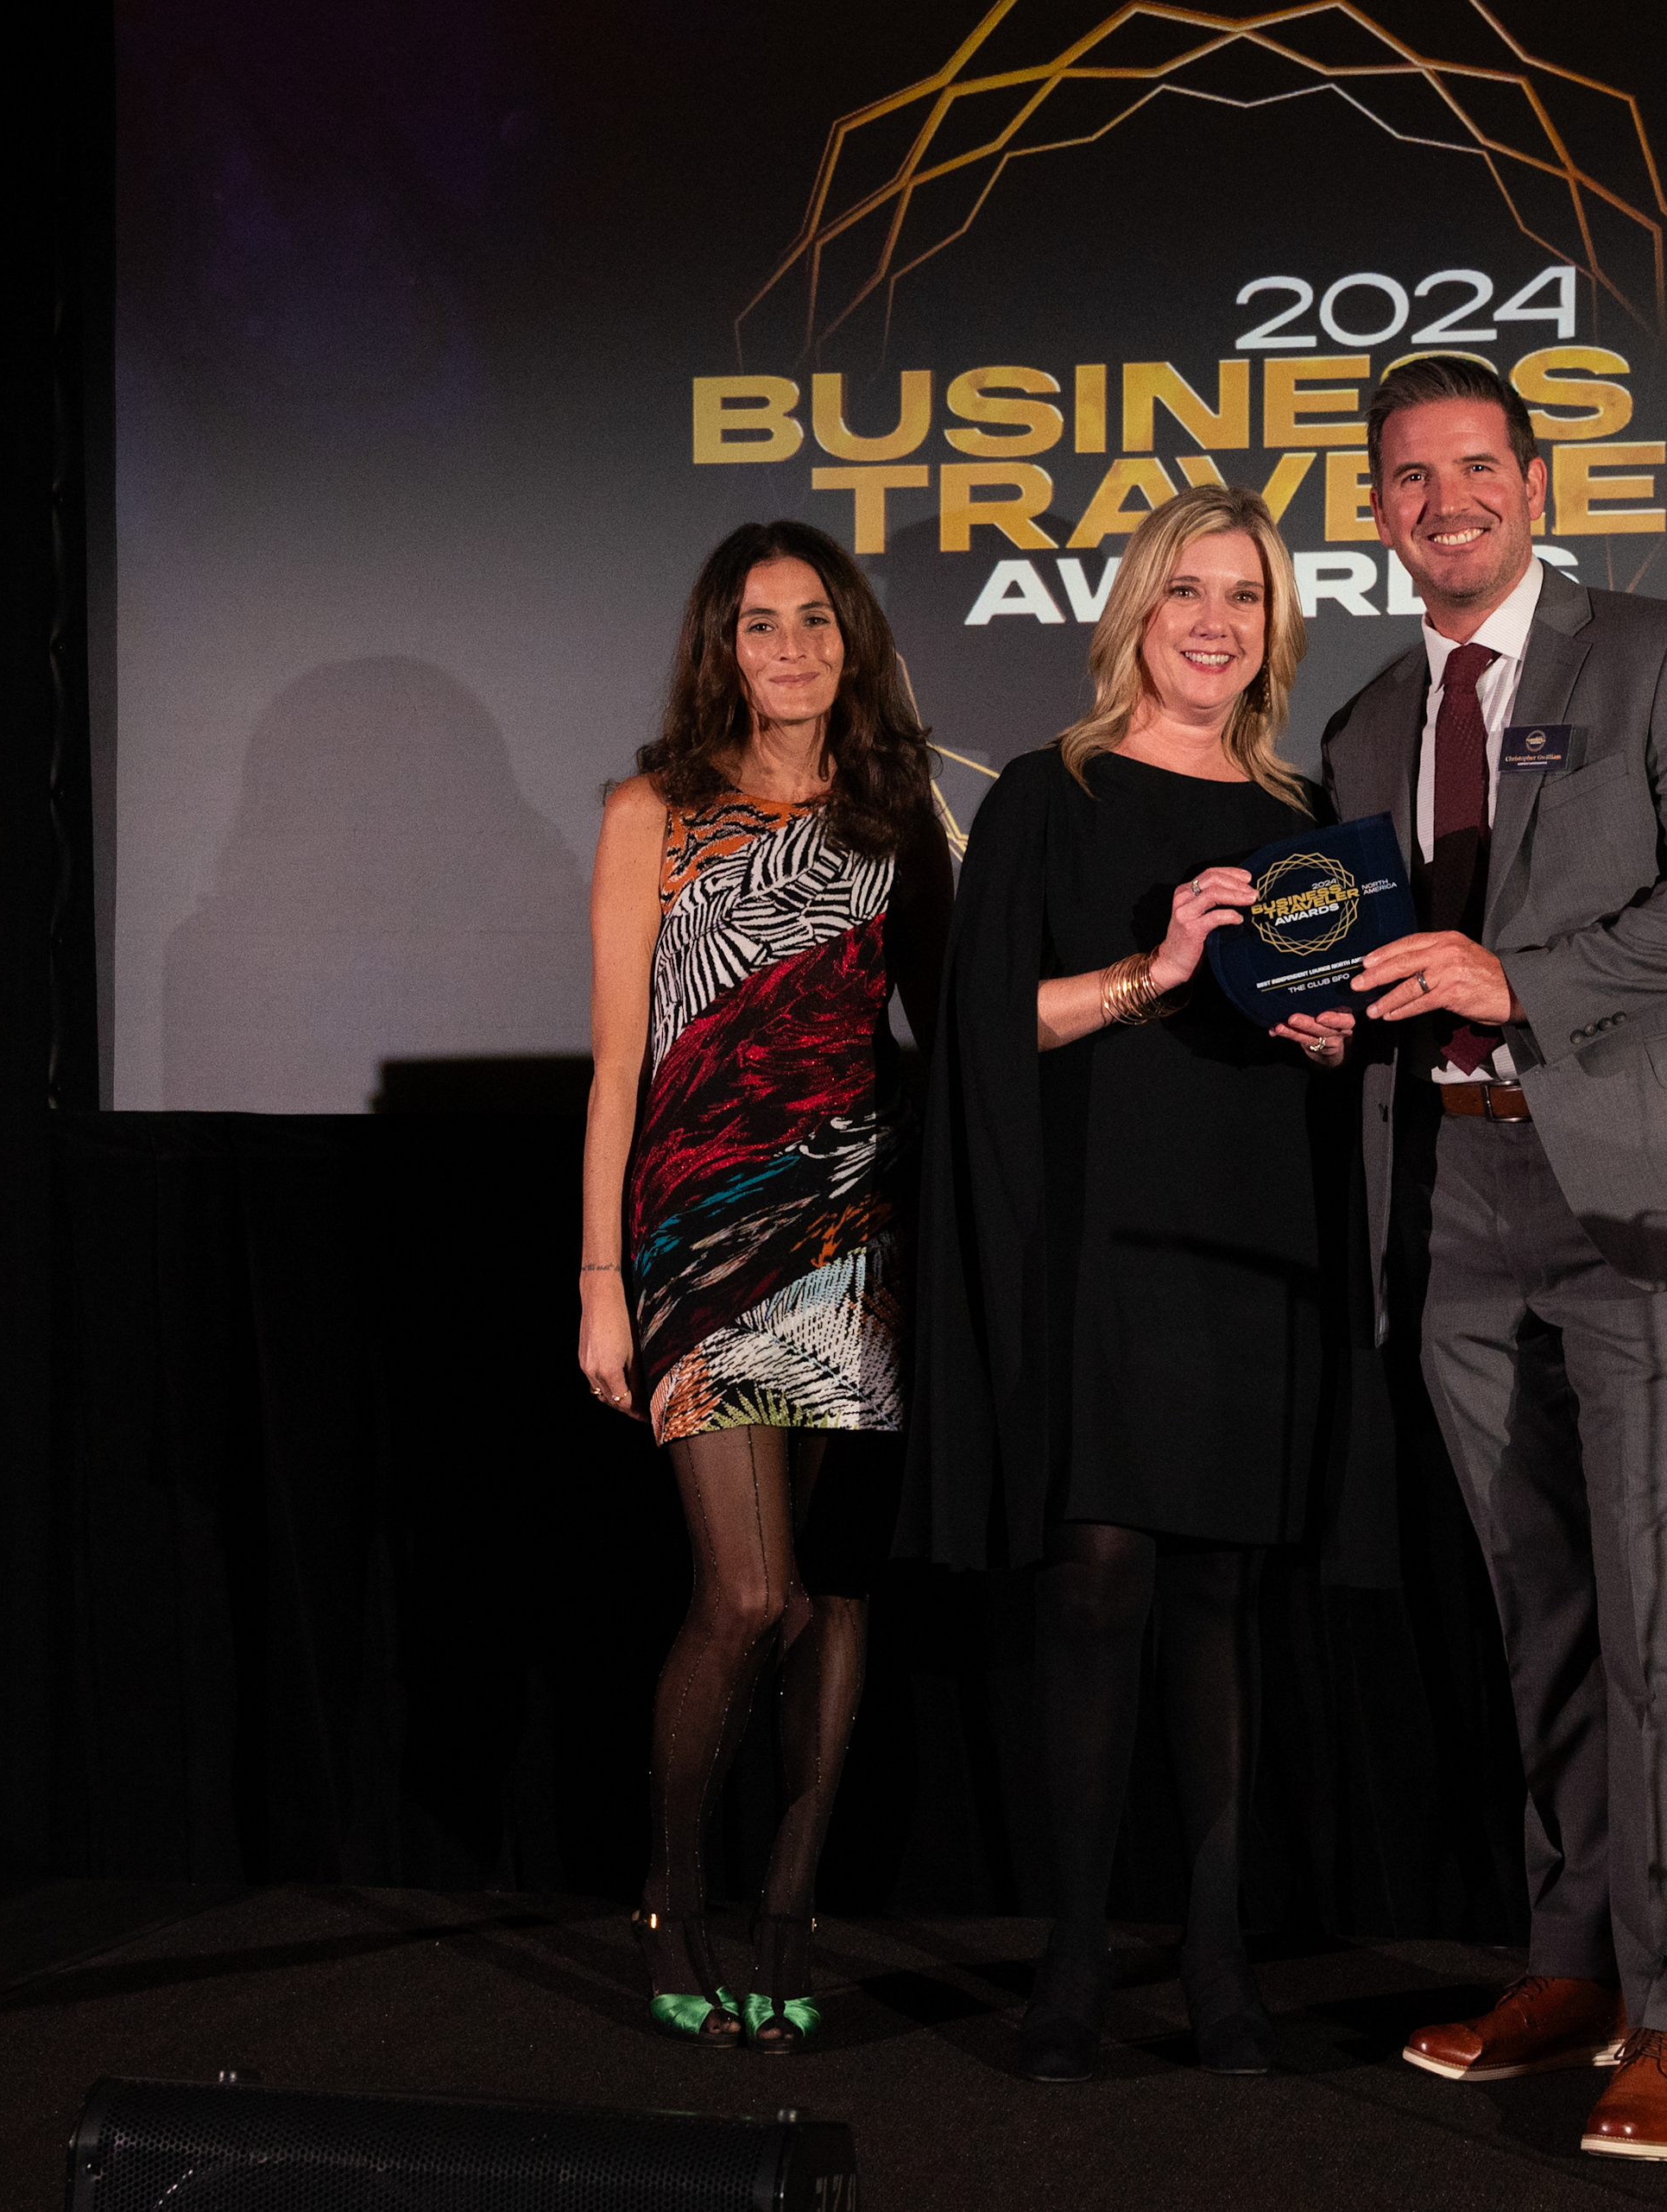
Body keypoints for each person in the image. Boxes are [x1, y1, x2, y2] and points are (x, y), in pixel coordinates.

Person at [1300, 355, 1667, 2162]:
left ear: (1530, 479)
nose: (1444, 499)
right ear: (1374, 511)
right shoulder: (1359, 726)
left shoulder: (1662, 654)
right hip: (1453, 1213)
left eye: (1472, 466)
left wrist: (1533, 984)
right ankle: (1574, 1962)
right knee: (1545, 1618)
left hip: (1643, 1197)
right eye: (1407, 477)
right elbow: (1379, 967)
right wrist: (1322, 1014)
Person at [905, 483, 1373, 2084]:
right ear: (1133, 616)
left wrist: (1334, 1039)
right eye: (1186, 591)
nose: (1214, 622)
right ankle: (1076, 1959)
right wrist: (1154, 975)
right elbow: (986, 1029)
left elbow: (1337, 1031)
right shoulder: (1052, 792)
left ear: (1274, 628)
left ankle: (1224, 1964)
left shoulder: (1311, 817)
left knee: (1226, 1602)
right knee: (1098, 1584)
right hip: (1100, 1232)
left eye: (1244, 596)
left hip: (1258, 1237)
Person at [578, 520, 950, 2054]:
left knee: (838, 1594)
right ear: (716, 646)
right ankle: (675, 1886)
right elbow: (617, 1064)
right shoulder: (652, 808)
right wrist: (601, 1277)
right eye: (756, 624)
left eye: (813, 620)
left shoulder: (895, 812)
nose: (788, 649)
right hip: (692, 1233)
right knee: (749, 1597)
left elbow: (962, 1025)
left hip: (855, 1233)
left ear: (850, 638)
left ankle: (788, 1908)